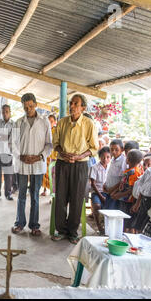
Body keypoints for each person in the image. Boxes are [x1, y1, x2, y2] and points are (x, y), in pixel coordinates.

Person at [51, 94, 98, 244]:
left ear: (83, 108)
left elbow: (94, 148)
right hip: (62, 164)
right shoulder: (62, 122)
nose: (72, 106)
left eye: (76, 104)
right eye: (71, 103)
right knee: (61, 197)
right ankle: (61, 230)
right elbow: (56, 144)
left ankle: (72, 232)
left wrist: (78, 156)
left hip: (80, 165)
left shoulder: (89, 124)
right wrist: (63, 153)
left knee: (77, 198)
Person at [11, 93, 52, 236]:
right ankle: (19, 223)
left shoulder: (44, 122)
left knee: (35, 195)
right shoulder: (18, 122)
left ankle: (34, 225)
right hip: (22, 163)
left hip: (38, 163)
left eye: (30, 106)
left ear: (35, 104)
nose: (28, 109)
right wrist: (20, 156)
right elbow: (12, 143)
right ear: (22, 106)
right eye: (25, 106)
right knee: (21, 194)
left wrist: (40, 156)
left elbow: (49, 144)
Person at [110, 149, 143, 232]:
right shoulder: (129, 171)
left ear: (127, 160)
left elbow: (131, 189)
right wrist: (115, 192)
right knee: (125, 221)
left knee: (127, 222)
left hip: (128, 201)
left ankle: (125, 237)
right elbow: (123, 184)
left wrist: (119, 195)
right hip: (124, 199)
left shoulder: (134, 172)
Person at [0, 105, 15, 201]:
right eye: (3, 112)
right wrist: (7, 136)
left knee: (8, 174)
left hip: (8, 152)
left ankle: (8, 193)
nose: (5, 114)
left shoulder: (13, 124)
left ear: (10, 112)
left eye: (6, 112)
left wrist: (1, 135)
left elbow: (13, 138)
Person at [89, 146, 111, 235]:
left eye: (108, 157)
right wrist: (101, 196)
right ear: (99, 157)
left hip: (108, 192)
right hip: (97, 192)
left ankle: (108, 227)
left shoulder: (111, 167)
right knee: (97, 206)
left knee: (110, 207)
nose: (105, 159)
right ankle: (99, 226)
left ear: (111, 157)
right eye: (103, 157)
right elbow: (93, 183)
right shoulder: (95, 167)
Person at [101, 139, 126, 210]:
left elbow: (122, 179)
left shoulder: (123, 161)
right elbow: (110, 173)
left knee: (112, 211)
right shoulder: (112, 160)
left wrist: (113, 189)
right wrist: (105, 184)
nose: (113, 152)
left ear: (122, 150)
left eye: (116, 150)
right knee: (107, 210)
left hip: (115, 192)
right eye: (111, 149)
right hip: (109, 190)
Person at [41, 114, 57, 197]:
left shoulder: (56, 131)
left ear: (55, 122)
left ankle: (52, 193)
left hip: (53, 156)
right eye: (48, 121)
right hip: (45, 155)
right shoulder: (44, 130)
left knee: (52, 175)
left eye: (51, 121)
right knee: (44, 174)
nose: (49, 123)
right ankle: (44, 189)